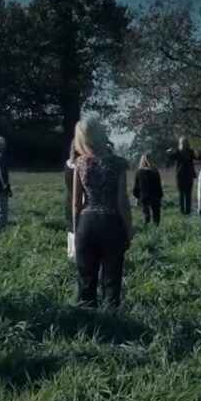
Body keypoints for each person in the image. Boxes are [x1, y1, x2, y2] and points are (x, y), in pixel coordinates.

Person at [72, 119, 132, 307]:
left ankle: (88, 321)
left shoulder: (80, 163)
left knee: (86, 279)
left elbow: (76, 203)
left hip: (87, 223)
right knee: (112, 279)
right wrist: (129, 229)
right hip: (112, 221)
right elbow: (122, 200)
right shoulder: (118, 164)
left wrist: (76, 231)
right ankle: (111, 320)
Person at [167, 137, 197, 215]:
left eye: (184, 142)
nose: (183, 144)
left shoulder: (190, 152)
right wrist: (168, 153)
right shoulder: (178, 152)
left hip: (186, 175)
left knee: (186, 194)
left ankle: (186, 211)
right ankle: (184, 211)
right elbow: (171, 157)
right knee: (183, 194)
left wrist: (199, 154)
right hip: (183, 175)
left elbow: (197, 158)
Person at [133, 155, 164, 226]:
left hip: (144, 196)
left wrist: (137, 198)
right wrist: (160, 196)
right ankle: (156, 228)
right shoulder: (155, 172)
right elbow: (159, 186)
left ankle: (146, 229)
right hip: (155, 196)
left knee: (146, 215)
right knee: (156, 216)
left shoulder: (139, 172)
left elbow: (136, 187)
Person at [64, 140, 80, 261]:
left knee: (71, 227)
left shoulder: (68, 163)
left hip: (69, 197)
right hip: (78, 198)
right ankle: (77, 256)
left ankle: (71, 254)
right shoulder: (79, 166)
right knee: (78, 227)